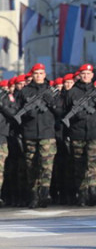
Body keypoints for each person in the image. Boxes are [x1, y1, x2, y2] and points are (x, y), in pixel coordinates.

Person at [63, 63, 96, 206]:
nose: (86, 76)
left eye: (88, 74)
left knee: (93, 164)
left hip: (94, 133)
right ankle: (82, 193)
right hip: (77, 133)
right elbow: (64, 112)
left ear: (92, 75)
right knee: (79, 165)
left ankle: (92, 191)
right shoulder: (72, 92)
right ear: (79, 75)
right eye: (83, 74)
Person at [13, 64, 60, 208]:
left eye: (41, 73)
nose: (39, 76)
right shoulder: (24, 91)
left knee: (47, 165)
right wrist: (27, 113)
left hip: (47, 132)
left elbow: (60, 111)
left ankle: (44, 194)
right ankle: (34, 195)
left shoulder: (51, 91)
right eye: (36, 73)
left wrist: (50, 101)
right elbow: (17, 111)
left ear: (45, 74)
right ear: (32, 75)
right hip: (30, 132)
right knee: (31, 165)